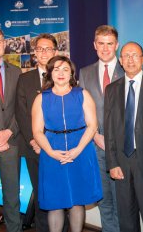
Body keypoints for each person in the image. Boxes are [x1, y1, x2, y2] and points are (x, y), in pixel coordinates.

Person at [31, 56, 102, 232]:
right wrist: (51, 152)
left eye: (65, 69)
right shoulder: (41, 99)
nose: (61, 73)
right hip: (51, 151)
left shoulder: (82, 94)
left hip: (81, 149)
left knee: (77, 200)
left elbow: (93, 125)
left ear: (71, 73)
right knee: (55, 202)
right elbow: (37, 131)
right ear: (50, 73)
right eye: (56, 69)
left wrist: (78, 150)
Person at [104, 42, 143, 232]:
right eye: (126, 55)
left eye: (135, 55)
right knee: (126, 217)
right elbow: (109, 128)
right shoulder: (112, 89)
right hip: (122, 162)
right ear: (120, 61)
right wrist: (112, 162)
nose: (130, 59)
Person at [16, 33, 66, 232]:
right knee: (42, 194)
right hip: (34, 149)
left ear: (55, 51)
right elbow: (20, 112)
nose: (44, 52)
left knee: (62, 194)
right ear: (34, 53)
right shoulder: (24, 79)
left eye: (48, 49)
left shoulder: (64, 75)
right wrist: (34, 141)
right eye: (40, 49)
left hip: (61, 148)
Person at [78, 25, 123, 232]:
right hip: (95, 146)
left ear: (117, 45)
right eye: (101, 44)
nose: (105, 48)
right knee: (104, 201)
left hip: (122, 148)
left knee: (123, 202)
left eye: (110, 44)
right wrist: (95, 135)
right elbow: (81, 110)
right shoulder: (84, 73)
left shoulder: (128, 70)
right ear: (95, 45)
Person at [0, 26, 22, 232]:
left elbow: (22, 107)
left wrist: (9, 132)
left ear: (5, 44)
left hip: (11, 141)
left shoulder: (17, 71)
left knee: (12, 198)